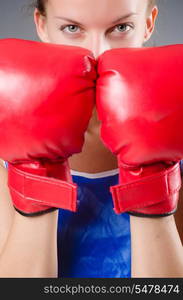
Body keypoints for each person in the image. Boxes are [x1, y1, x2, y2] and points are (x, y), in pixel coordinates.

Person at [0, 0, 183, 278]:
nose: (98, 53)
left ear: (147, 24)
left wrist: (152, 174)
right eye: (72, 28)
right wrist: (38, 169)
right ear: (42, 26)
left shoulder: (178, 133)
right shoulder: (6, 139)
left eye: (121, 27)